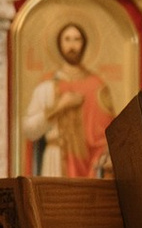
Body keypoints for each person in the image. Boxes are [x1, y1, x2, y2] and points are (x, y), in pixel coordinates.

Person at [20, 16, 114, 178]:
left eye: (77, 39)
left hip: (88, 164)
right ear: (59, 44)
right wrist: (60, 106)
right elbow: (30, 129)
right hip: (54, 160)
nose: (72, 45)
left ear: (84, 44)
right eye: (67, 39)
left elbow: (109, 133)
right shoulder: (47, 85)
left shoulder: (97, 86)